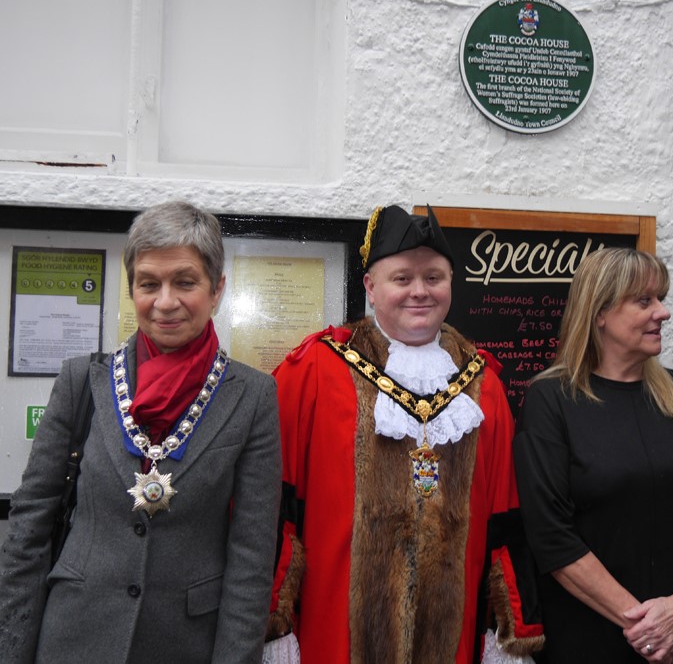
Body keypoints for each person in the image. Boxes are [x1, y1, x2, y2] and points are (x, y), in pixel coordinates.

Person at [0, 201, 282, 664]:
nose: (165, 302)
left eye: (185, 282)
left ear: (217, 289)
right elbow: (29, 527)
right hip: (73, 639)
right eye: (149, 283)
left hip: (186, 645)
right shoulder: (81, 382)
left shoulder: (252, 396)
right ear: (132, 288)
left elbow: (251, 558)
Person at [264, 205, 545, 663]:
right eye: (402, 278)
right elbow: (273, 509)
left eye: (434, 277)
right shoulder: (311, 371)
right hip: (332, 637)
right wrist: (273, 625)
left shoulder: (484, 385)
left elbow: (505, 516)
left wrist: (508, 629)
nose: (420, 291)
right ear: (371, 287)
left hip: (451, 640)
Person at [513, 247, 673, 664]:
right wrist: (649, 629)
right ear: (599, 312)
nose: (663, 312)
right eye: (644, 301)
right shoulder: (551, 400)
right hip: (590, 637)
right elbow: (550, 534)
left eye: (661, 298)